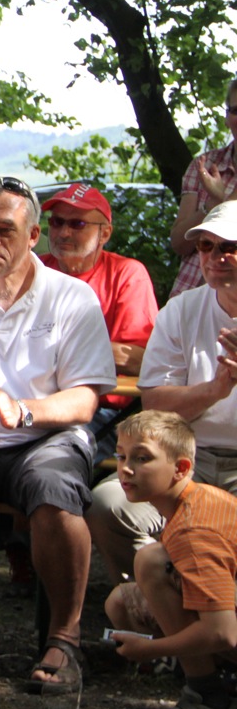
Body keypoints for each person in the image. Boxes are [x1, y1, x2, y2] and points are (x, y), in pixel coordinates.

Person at [0, 176, 116, 695]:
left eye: (4, 230)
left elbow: (85, 399)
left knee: (55, 489)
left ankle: (65, 640)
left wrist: (22, 411)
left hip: (47, 434)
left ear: (32, 236)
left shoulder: (71, 297)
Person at [88, 201, 237, 582]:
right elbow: (156, 406)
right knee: (108, 504)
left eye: (229, 247)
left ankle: (203, 601)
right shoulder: (181, 310)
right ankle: (162, 594)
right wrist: (217, 389)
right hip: (187, 460)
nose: (215, 257)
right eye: (206, 246)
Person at [103, 411, 237, 709]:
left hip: (226, 626)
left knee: (151, 561)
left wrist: (150, 650)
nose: (126, 469)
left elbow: (223, 632)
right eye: (121, 456)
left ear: (181, 468)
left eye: (142, 458)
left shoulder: (195, 527)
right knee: (121, 603)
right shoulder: (188, 504)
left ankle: (208, 700)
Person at [39, 181, 158, 454]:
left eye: (77, 224)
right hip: (31, 401)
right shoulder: (34, 269)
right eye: (56, 222)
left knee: (48, 456)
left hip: (100, 411)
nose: (63, 232)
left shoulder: (127, 274)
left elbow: (140, 360)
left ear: (105, 233)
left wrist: (50, 343)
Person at [167, 77, 237, 298]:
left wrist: (224, 201)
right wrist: (212, 205)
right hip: (187, 298)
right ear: (226, 118)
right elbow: (179, 243)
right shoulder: (205, 164)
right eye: (236, 110)